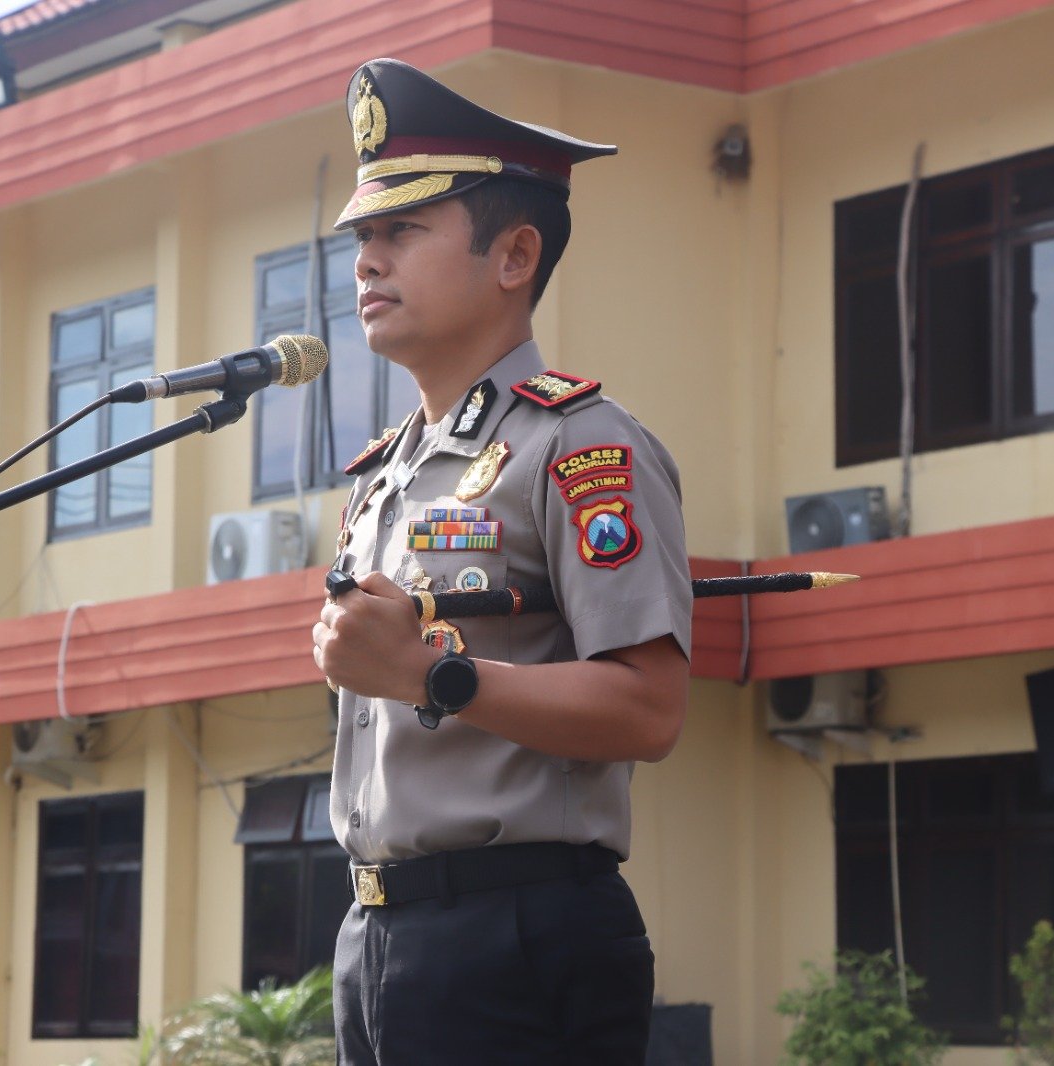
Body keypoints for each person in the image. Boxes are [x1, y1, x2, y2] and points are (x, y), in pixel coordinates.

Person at [310, 57, 693, 1065]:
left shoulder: (580, 448)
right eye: (361, 235)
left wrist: (430, 674)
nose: (365, 262)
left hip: (517, 931)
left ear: (513, 253)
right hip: (378, 931)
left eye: (400, 231)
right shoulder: (382, 476)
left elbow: (648, 709)